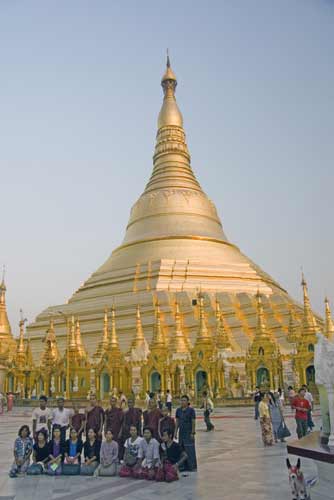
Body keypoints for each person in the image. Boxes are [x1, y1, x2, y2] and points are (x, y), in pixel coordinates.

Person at [175, 395, 197, 471]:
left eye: (184, 400)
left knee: (190, 449)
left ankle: (192, 466)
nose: (182, 402)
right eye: (181, 400)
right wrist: (175, 432)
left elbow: (193, 421)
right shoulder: (178, 410)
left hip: (188, 432)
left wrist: (193, 432)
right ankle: (183, 466)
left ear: (188, 402)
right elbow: (177, 422)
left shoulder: (191, 410)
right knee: (182, 449)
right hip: (181, 433)